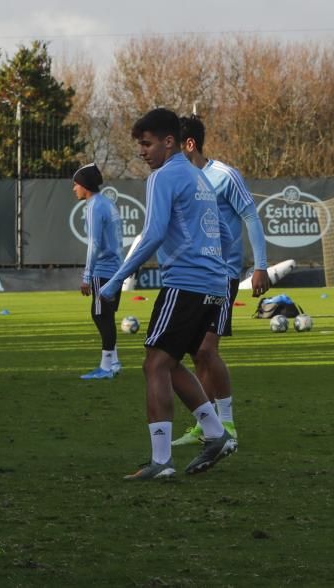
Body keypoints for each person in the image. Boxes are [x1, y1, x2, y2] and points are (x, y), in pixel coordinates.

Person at [100, 107, 237, 480]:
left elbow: (154, 233)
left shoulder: (163, 176)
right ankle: (215, 434)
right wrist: (216, 265)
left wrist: (116, 281)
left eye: (147, 144)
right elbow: (226, 235)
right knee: (171, 362)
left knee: (154, 365)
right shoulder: (199, 176)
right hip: (214, 284)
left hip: (186, 283)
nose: (142, 152)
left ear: (169, 141)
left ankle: (161, 461)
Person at [170, 115, 271, 446]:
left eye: (174, 145)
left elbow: (250, 217)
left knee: (207, 350)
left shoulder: (225, 176)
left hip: (222, 275)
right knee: (197, 354)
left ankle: (226, 425)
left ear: (189, 144)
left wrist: (260, 266)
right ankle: (207, 424)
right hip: (192, 277)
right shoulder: (178, 179)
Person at [74, 163, 124, 379]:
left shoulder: (94, 206)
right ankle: (114, 362)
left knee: (99, 315)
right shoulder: (108, 203)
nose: (74, 189)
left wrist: (87, 276)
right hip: (116, 269)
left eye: (75, 184)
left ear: (85, 185)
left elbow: (93, 243)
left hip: (103, 270)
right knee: (107, 316)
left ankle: (105, 367)